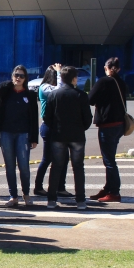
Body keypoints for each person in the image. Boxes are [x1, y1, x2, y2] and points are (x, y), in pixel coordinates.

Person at [45, 66, 93, 210]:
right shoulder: (81, 95)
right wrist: (81, 128)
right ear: (74, 79)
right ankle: (80, 200)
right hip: (77, 135)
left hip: (58, 135)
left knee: (56, 166)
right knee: (78, 167)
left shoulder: (54, 94)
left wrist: (55, 127)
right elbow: (88, 118)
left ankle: (51, 200)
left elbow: (47, 117)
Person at [0, 65, 39, 207]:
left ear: (26, 78)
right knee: (9, 166)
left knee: (24, 166)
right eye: (16, 75)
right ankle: (13, 196)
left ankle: (26, 194)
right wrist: (10, 84)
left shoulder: (30, 95)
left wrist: (34, 138)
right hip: (6, 132)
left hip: (23, 134)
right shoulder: (6, 92)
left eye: (21, 76)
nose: (18, 78)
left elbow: (34, 118)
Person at [89, 57, 128, 203]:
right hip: (119, 125)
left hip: (107, 125)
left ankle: (114, 192)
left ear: (106, 68)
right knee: (110, 158)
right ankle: (108, 188)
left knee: (109, 160)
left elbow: (90, 99)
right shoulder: (121, 82)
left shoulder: (103, 82)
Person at [33, 65, 71, 198]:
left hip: (59, 126)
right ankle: (38, 187)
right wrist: (60, 73)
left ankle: (61, 187)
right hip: (48, 126)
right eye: (59, 75)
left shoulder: (55, 87)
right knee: (47, 158)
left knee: (64, 158)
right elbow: (58, 90)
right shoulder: (44, 87)